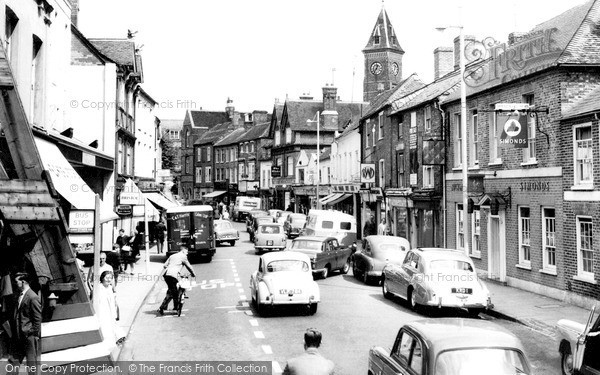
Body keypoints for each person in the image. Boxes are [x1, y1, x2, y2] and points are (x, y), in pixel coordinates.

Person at [7, 273, 41, 375]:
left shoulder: (33, 297)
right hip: (18, 336)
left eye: (16, 281)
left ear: (23, 282)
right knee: (14, 362)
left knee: (31, 366)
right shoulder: (20, 295)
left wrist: (29, 332)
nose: (15, 283)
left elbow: (37, 319)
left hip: (28, 337)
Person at [158, 246, 195, 315]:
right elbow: (189, 266)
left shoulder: (172, 256)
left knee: (172, 290)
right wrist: (193, 274)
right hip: (172, 275)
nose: (187, 254)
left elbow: (165, 265)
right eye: (187, 252)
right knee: (174, 292)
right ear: (183, 251)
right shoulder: (183, 256)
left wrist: (174, 269)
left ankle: (167, 306)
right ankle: (168, 307)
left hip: (167, 274)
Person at [95, 271, 125, 350]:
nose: (108, 280)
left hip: (110, 311)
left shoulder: (110, 287)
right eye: (106, 278)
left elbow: (113, 301)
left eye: (110, 278)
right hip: (102, 311)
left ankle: (113, 342)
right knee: (104, 327)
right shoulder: (98, 288)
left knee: (111, 326)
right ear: (102, 278)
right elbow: (95, 301)